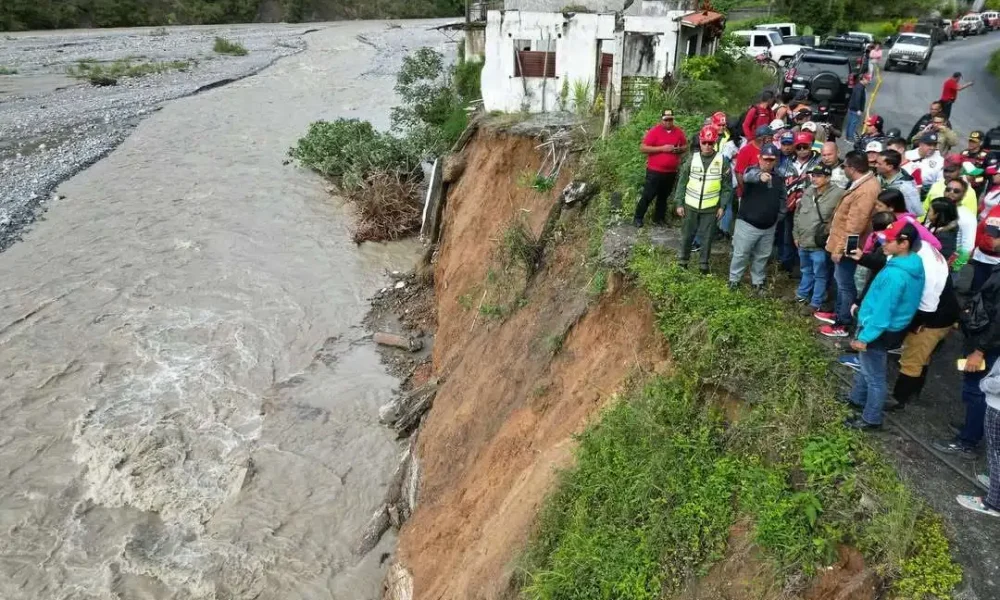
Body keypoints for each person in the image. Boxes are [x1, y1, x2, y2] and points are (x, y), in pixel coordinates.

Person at [843, 220, 925, 430]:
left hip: (879, 330)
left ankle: (871, 419)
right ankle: (856, 398)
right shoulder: (913, 263)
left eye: (889, 241)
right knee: (868, 367)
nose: (883, 245)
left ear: (903, 243)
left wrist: (865, 337)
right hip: (893, 328)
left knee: (876, 378)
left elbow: (882, 311)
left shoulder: (895, 275)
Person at [934, 258, 1000, 457]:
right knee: (974, 388)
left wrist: (980, 350)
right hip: (983, 337)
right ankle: (973, 427)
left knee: (977, 390)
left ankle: (967, 441)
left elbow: (998, 322)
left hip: (987, 344)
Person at [817, 151, 881, 337]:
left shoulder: (866, 190)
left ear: (852, 169)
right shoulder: (862, 184)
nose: (843, 168)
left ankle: (842, 323)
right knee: (840, 281)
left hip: (848, 246)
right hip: (844, 242)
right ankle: (838, 313)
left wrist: (840, 249)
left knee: (845, 284)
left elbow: (856, 225)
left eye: (845, 166)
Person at [889, 231, 955, 411]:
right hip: (945, 314)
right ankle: (912, 394)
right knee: (923, 356)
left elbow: (927, 305)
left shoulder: (924, 266)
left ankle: (898, 400)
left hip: (934, 319)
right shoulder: (924, 248)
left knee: (912, 359)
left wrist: (913, 325)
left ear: (904, 244)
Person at [729, 144, 787, 293]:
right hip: (748, 223)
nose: (768, 162)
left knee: (762, 256)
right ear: (759, 158)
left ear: (775, 161)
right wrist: (760, 176)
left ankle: (758, 282)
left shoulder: (779, 177)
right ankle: (734, 281)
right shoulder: (751, 170)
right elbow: (748, 176)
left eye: (771, 159)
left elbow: (782, 198)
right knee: (741, 254)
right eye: (765, 159)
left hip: (769, 226)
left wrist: (779, 216)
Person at [674, 126, 732, 274]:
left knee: (707, 238)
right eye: (704, 142)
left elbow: (727, 187)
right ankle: (683, 261)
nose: (707, 146)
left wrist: (722, 206)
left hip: (711, 207)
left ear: (715, 143)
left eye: (710, 143)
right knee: (687, 234)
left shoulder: (722, 161)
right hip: (690, 205)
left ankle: (703, 265)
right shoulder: (692, 159)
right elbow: (682, 182)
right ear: (700, 141)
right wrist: (679, 203)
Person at [793, 164, 843, 310]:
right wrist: (796, 234)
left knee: (820, 274)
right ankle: (802, 295)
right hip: (803, 240)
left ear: (828, 178)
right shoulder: (808, 191)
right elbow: (798, 214)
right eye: (813, 175)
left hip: (819, 244)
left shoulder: (839, 194)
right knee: (806, 270)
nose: (814, 179)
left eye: (819, 176)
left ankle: (816, 302)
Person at [956, 359, 1000, 516]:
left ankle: (994, 502)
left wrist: (985, 383)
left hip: (997, 406)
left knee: (996, 452)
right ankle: (997, 484)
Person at [634, 109, 688, 227]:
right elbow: (643, 148)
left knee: (663, 197)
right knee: (648, 195)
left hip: (671, 171)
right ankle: (638, 217)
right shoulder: (655, 131)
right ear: (662, 119)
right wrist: (662, 148)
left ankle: (658, 218)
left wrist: (679, 150)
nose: (668, 122)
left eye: (670, 119)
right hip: (655, 171)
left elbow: (685, 146)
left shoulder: (678, 132)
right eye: (666, 119)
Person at [925, 158, 977, 271]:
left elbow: (967, 247)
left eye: (956, 191)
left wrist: (953, 268)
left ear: (963, 195)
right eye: (948, 189)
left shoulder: (967, 217)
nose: (950, 193)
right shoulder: (937, 206)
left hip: (948, 265)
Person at [876, 149, 922, 217]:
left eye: (879, 164)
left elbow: (915, 212)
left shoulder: (906, 187)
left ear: (890, 167)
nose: (876, 165)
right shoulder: (878, 178)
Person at [970, 196, 1000, 293]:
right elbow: (983, 231)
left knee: (990, 295)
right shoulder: (996, 209)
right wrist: (974, 247)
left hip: (996, 263)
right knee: (976, 289)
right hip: (981, 257)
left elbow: (993, 244)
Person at [735, 125, 773, 196]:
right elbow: (739, 173)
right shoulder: (745, 151)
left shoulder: (769, 149)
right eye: (770, 138)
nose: (772, 140)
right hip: (748, 192)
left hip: (764, 191)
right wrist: (745, 191)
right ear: (763, 139)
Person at [927, 198, 960, 263]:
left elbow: (940, 258)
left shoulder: (945, 236)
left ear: (937, 215)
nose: (927, 213)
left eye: (929, 210)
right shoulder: (934, 225)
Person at [845, 73, 870, 140]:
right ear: (863, 79)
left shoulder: (858, 86)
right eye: (867, 80)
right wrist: (858, 109)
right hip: (855, 109)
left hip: (852, 107)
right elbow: (857, 98)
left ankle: (847, 137)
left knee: (850, 123)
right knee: (853, 124)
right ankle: (850, 138)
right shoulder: (860, 88)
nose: (868, 82)